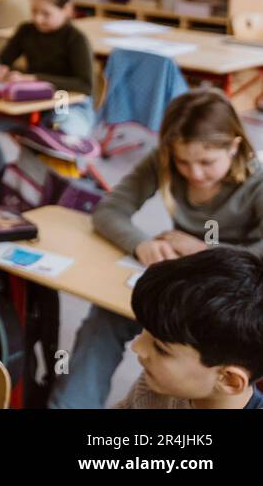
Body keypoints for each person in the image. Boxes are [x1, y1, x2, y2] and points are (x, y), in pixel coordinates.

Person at [50, 88, 263, 408]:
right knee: (103, 320)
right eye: (182, 162)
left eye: (207, 162)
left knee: (178, 356)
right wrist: (140, 244)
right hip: (182, 283)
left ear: (233, 147)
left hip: (230, 299)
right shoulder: (164, 159)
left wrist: (206, 250)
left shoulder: (257, 181)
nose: (194, 173)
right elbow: (109, 211)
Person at [0, 0, 95, 204]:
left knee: (54, 134)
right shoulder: (26, 31)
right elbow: (1, 58)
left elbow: (84, 85)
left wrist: (33, 78)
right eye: (34, 11)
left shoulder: (76, 39)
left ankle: (55, 190)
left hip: (69, 105)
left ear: (67, 10)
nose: (38, 19)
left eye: (46, 13)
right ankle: (5, 178)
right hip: (31, 106)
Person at [114, 247, 263, 409]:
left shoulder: (165, 380)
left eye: (161, 348)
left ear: (229, 380)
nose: (137, 347)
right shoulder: (159, 382)